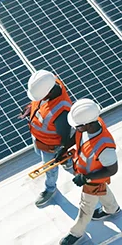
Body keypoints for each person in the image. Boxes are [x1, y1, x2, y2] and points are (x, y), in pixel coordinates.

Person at [59, 99, 120, 245]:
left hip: (92, 179)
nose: (76, 129)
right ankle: (112, 209)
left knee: (86, 208)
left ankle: (76, 233)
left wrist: (86, 178)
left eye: (78, 126)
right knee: (103, 190)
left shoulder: (104, 148)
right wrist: (64, 148)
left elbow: (112, 169)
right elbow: (77, 137)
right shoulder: (90, 123)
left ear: (87, 124)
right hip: (88, 174)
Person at [19, 70, 72, 207]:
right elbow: (40, 104)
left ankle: (50, 189)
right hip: (38, 139)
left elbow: (66, 137)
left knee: (50, 169)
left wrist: (61, 151)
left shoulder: (61, 112)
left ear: (47, 92)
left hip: (50, 147)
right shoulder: (47, 82)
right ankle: (68, 161)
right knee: (39, 153)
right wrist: (31, 108)